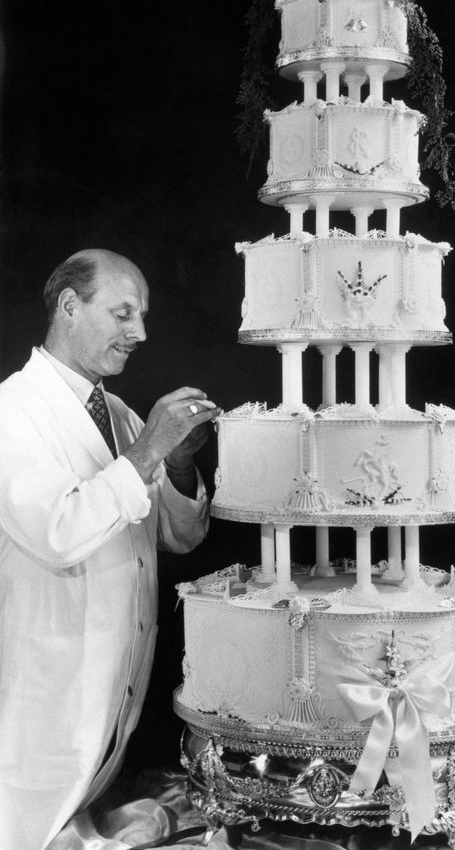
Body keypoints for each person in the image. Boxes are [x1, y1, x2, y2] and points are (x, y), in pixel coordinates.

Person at [0, 249, 220, 850]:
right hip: (49, 675)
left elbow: (179, 536)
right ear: (70, 306)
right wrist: (148, 449)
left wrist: (175, 462)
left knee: (80, 800)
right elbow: (59, 531)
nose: (140, 333)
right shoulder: (12, 411)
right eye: (123, 313)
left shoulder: (117, 415)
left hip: (114, 677)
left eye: (142, 316)